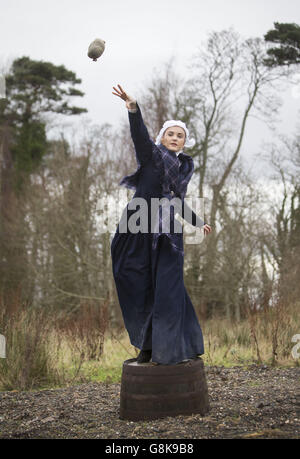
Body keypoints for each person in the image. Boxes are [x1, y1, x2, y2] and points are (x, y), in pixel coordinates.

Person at [111, 84, 212, 365]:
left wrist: (198, 222)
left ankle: (172, 349)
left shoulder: (181, 168)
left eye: (180, 136)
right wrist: (133, 109)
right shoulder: (151, 155)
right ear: (162, 137)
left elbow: (177, 201)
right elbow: (139, 136)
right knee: (139, 285)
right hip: (138, 227)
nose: (175, 138)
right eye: (171, 133)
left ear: (184, 142)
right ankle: (146, 346)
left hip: (167, 233)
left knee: (169, 288)